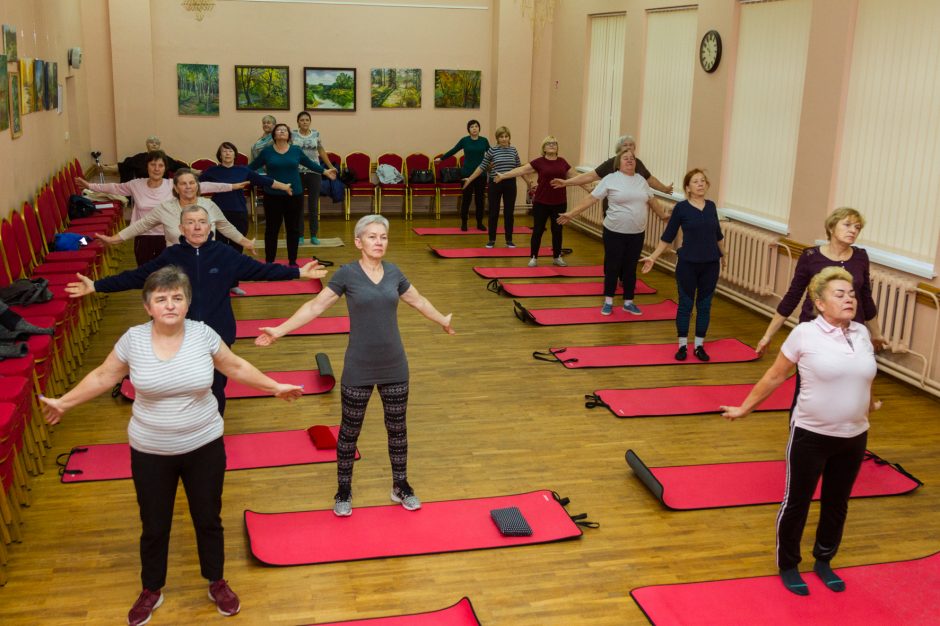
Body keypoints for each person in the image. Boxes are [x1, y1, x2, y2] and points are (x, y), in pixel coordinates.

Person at [42, 266, 304, 625]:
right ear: (148, 306)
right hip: (150, 450)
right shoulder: (132, 339)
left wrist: (274, 386)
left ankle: (216, 581)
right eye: (161, 299)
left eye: (177, 298)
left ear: (187, 303)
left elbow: (236, 366)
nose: (170, 305)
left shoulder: (203, 335)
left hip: (204, 444)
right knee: (154, 523)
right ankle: (152, 588)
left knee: (207, 518)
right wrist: (64, 402)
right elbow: (104, 375)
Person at [255, 215, 455, 517]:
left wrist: (442, 320)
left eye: (383, 237)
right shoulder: (347, 274)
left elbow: (418, 300)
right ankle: (344, 490)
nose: (379, 242)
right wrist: (279, 330)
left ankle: (400, 485)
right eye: (372, 237)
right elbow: (315, 306)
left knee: (398, 430)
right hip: (358, 366)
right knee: (350, 432)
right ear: (359, 242)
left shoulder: (394, 273)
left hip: (394, 364)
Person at [66, 205, 327, 416]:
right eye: (190, 222)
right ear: (181, 228)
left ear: (210, 226)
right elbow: (137, 276)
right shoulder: (172, 256)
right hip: (178, 336)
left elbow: (262, 270)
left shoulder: (225, 255)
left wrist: (297, 272)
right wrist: (98, 285)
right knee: (183, 386)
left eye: (202, 221)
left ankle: (212, 430)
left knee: (216, 387)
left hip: (218, 332)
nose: (197, 227)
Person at [720, 267, 879, 597]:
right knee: (798, 502)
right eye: (840, 294)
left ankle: (824, 560)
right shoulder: (804, 334)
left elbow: (865, 375)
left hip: (854, 435)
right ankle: (789, 564)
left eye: (851, 294)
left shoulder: (862, 333)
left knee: (837, 503)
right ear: (820, 303)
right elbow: (776, 376)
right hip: (811, 434)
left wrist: (868, 404)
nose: (849, 298)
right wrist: (745, 407)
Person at [756, 207, 886, 355]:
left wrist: (876, 333)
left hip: (850, 329)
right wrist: (768, 336)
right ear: (831, 227)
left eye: (857, 227)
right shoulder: (810, 256)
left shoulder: (861, 257)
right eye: (847, 225)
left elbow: (866, 298)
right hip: (815, 328)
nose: (853, 230)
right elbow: (792, 296)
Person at [77, 152, 239, 266]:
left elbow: (204, 186)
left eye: (160, 165)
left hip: (169, 237)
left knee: (170, 279)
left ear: (165, 168)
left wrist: (232, 186)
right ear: (147, 166)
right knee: (148, 279)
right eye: (153, 164)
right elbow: (114, 188)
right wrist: (90, 186)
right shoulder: (136, 184)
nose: (156, 168)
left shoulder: (173, 185)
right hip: (144, 238)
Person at [557, 148, 668, 314]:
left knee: (630, 268)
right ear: (618, 163)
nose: (630, 160)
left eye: (632, 158)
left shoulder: (641, 181)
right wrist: (571, 214)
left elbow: (652, 201)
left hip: (637, 233)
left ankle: (628, 302)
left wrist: (663, 216)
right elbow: (591, 198)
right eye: (625, 158)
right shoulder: (610, 179)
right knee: (613, 266)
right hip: (614, 232)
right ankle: (608, 301)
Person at [641, 169, 726, 360]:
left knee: (704, 306)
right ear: (688, 188)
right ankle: (682, 346)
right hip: (688, 264)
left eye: (703, 181)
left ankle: (698, 346)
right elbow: (668, 236)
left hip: (710, 264)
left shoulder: (711, 207)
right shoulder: (681, 208)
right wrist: (653, 257)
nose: (700, 184)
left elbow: (718, 235)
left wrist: (724, 255)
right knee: (686, 305)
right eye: (695, 181)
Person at [96, 169, 261, 258]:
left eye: (191, 183)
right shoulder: (165, 208)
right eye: (183, 184)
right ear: (175, 188)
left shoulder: (209, 205)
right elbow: (141, 225)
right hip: (177, 266)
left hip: (207, 261)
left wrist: (246, 242)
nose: (188, 187)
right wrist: (114, 239)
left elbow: (225, 226)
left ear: (197, 186)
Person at [248, 123, 337, 266]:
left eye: (284, 130)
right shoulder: (267, 152)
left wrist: (325, 171)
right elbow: (251, 168)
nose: (282, 132)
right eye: (279, 130)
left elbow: (310, 163)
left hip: (294, 195)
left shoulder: (296, 150)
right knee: (272, 229)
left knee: (293, 229)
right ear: (274, 135)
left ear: (289, 135)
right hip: (272, 195)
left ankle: (292, 261)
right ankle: (269, 261)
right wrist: (236, 173)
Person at [495, 136, 586, 267]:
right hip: (541, 202)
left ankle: (557, 257)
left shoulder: (562, 162)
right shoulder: (539, 162)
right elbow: (521, 170)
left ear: (557, 147)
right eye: (549, 143)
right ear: (543, 147)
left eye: (554, 143)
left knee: (557, 231)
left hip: (559, 202)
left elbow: (576, 177)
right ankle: (533, 257)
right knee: (537, 230)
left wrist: (590, 186)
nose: (552, 145)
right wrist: (503, 175)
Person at [200, 142, 291, 253]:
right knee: (219, 246)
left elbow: (265, 181)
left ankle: (236, 269)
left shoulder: (243, 170)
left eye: (230, 151)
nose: (227, 154)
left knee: (237, 246)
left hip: (239, 212)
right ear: (219, 155)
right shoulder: (212, 171)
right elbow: (195, 185)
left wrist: (284, 186)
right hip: (217, 212)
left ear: (235, 155)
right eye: (224, 151)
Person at [461, 126, 527, 248]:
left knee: (509, 213)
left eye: (506, 136)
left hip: (510, 184)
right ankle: (491, 239)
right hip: (495, 183)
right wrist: (470, 179)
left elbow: (520, 169)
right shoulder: (492, 151)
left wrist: (529, 183)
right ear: (497, 138)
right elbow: (481, 167)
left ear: (509, 137)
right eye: (501, 137)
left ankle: (509, 240)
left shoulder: (513, 150)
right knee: (493, 212)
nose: (504, 139)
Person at [550, 134, 674, 196]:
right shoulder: (612, 163)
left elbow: (650, 180)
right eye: (625, 145)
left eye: (631, 145)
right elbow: (590, 176)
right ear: (619, 149)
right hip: (614, 208)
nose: (628, 147)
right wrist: (566, 183)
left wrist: (665, 189)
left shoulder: (638, 163)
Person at [436, 120, 491, 231]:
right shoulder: (464, 140)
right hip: (466, 174)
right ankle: (464, 223)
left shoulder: (484, 141)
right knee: (466, 199)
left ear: (479, 128)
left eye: (476, 126)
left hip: (481, 175)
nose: (474, 128)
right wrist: (441, 159)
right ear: (468, 129)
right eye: (472, 127)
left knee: (480, 200)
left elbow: (491, 153)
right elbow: (454, 150)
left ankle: (479, 223)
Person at [292, 111, 337, 245]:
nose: (304, 122)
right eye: (302, 120)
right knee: (298, 205)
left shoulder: (316, 134)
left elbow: (321, 151)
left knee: (313, 205)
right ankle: (300, 235)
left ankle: (313, 235)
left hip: (314, 173)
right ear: (298, 122)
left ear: (310, 122)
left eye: (307, 120)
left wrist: (329, 167)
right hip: (297, 173)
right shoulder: (293, 135)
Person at [98, 136, 189, 182]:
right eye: (151, 142)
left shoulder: (165, 158)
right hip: (142, 187)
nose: (154, 144)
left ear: (159, 146)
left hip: (161, 188)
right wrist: (106, 168)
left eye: (156, 143)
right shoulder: (139, 158)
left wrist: (197, 171)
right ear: (146, 145)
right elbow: (123, 166)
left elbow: (181, 168)